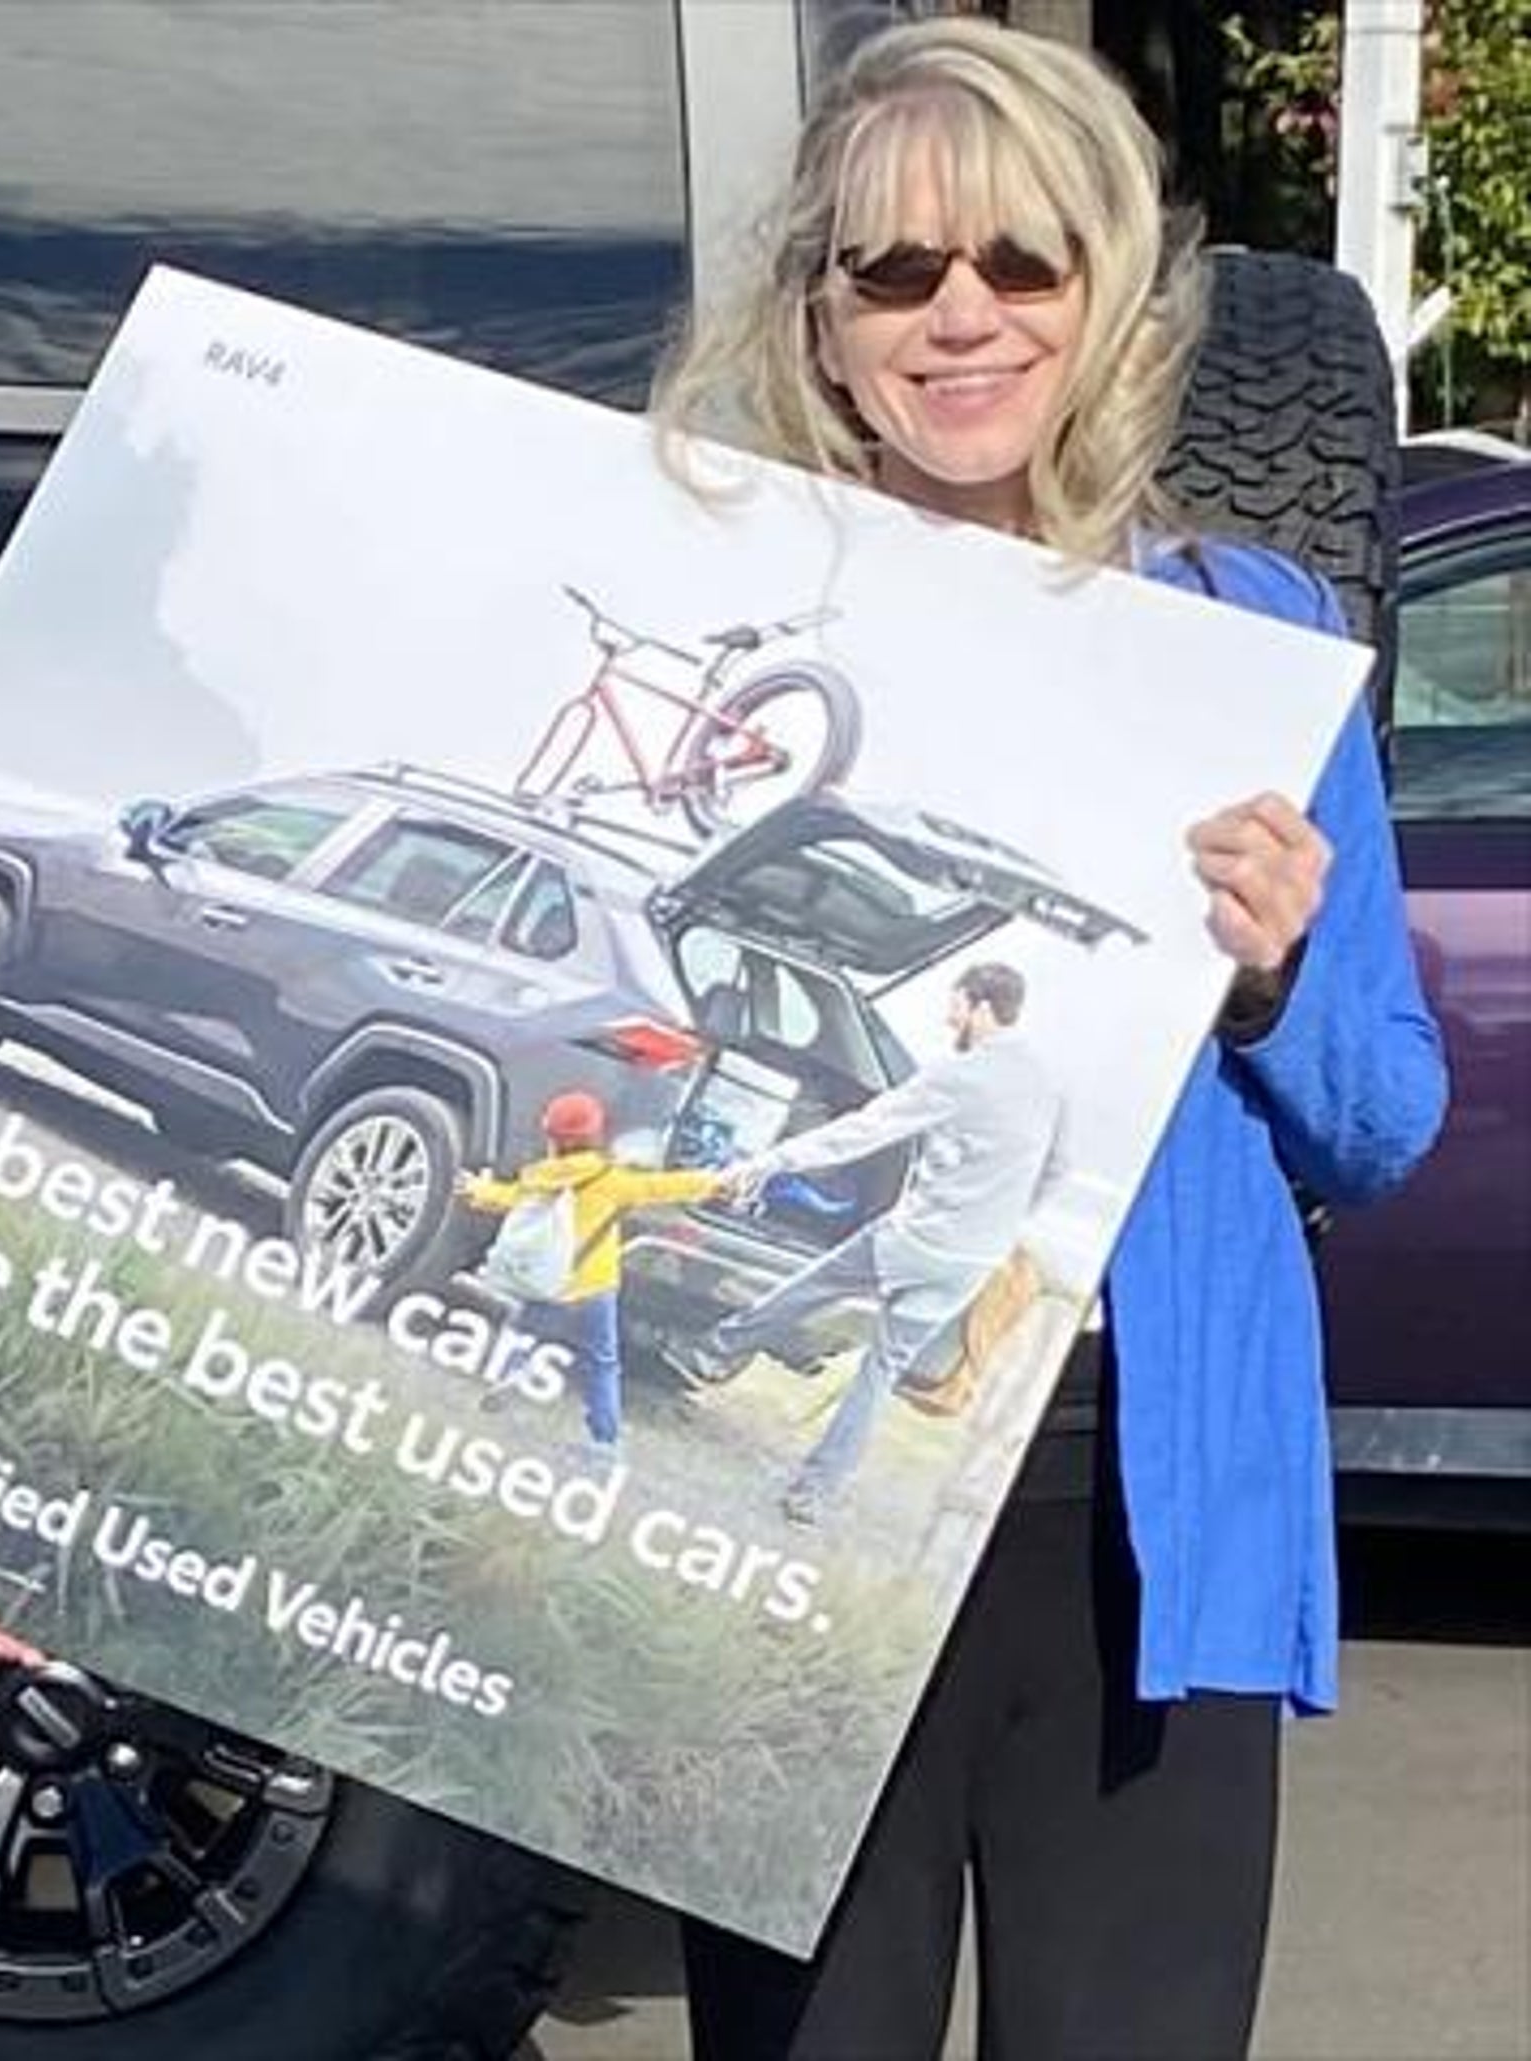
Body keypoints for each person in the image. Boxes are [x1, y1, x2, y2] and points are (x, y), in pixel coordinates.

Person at [654, 17, 1446, 2059]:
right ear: (818, 317)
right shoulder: (729, 610)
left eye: (1021, 259)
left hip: (1136, 1510)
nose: (961, 316)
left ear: (1105, 293)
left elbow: (1379, 1119)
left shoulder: (1250, 635)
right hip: (791, 1497)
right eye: (894, 270)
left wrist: (1267, 978)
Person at [672, 962, 1064, 1524]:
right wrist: (998, 1221)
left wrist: (768, 1163)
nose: (947, 1016)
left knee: (807, 1289)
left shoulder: (960, 1075)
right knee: (880, 1374)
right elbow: (1057, 1169)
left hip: (918, 1239)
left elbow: (862, 1131)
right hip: (973, 1260)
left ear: (981, 1007)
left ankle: (712, 1352)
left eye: (955, 1004)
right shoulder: (1045, 1083)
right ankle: (813, 1496)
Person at [456, 1088, 728, 1452]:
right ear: (597, 1133)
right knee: (603, 1362)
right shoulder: (612, 1181)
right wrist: (713, 1183)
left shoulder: (539, 1177)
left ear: (550, 1136)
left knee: (522, 1333)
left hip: (548, 1283)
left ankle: (510, 1374)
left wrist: (476, 1188)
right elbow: (661, 1186)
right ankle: (605, 1439)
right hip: (596, 1287)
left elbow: (506, 1197)